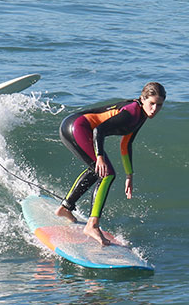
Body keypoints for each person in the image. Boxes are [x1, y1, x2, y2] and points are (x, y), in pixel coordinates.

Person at [54, 82, 166, 245]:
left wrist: (129, 175)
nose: (155, 109)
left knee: (97, 171)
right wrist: (100, 156)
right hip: (78, 127)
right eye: (152, 103)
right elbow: (98, 130)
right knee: (107, 173)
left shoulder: (140, 115)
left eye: (159, 105)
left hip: (75, 126)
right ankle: (92, 225)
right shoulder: (132, 113)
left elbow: (126, 144)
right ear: (143, 99)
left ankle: (65, 208)